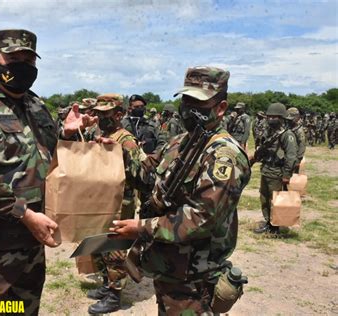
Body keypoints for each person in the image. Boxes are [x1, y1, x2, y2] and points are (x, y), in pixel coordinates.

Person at [0, 29, 93, 314]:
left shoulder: (36, 106)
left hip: (29, 248)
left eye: (29, 59)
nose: (22, 65)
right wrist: (23, 213)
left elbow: (46, 159)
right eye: (13, 58)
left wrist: (69, 135)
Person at [110, 66, 251, 314]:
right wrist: (115, 151)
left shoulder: (223, 155)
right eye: (186, 100)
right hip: (169, 266)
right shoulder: (180, 142)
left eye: (199, 102)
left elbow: (202, 218)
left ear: (220, 108)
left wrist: (142, 228)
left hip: (195, 277)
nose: (189, 109)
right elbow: (146, 175)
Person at [87, 93, 144, 314]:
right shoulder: (98, 133)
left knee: (114, 247)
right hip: (99, 197)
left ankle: (114, 294)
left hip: (122, 200)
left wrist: (119, 153)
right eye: (98, 113)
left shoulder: (125, 139)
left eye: (105, 114)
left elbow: (140, 173)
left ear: (119, 114)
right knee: (97, 243)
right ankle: (105, 283)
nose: (100, 118)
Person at [252, 103, 297, 234]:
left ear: (282, 118)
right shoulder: (270, 132)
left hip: (277, 172)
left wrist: (287, 175)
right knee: (264, 198)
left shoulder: (287, 135)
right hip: (266, 169)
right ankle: (268, 221)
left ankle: (274, 226)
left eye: (274, 117)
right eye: (269, 116)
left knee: (275, 200)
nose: (271, 119)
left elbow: (291, 156)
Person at [286, 107, 306, 173]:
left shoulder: (299, 130)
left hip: (295, 157)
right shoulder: (287, 127)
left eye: (291, 119)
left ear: (297, 117)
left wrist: (298, 159)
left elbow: (302, 145)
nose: (289, 121)